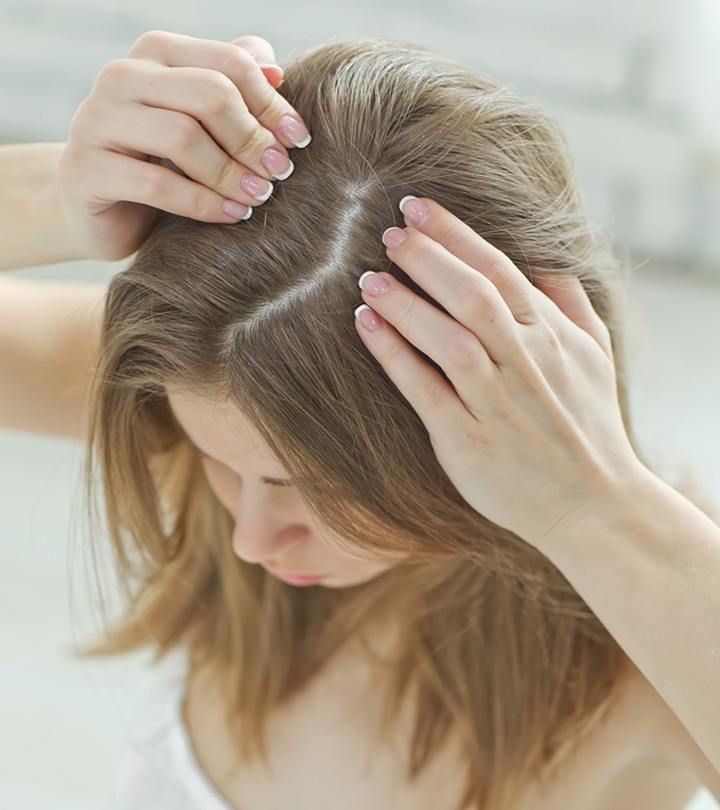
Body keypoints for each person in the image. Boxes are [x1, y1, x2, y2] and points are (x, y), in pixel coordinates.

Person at [1, 29, 719, 810]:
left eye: (307, 486)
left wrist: (595, 501)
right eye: (222, 465)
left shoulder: (643, 630)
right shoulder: (215, 404)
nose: (250, 536)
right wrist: (54, 195)